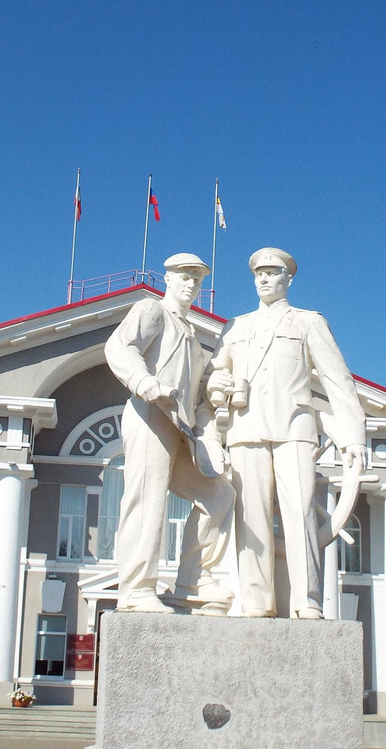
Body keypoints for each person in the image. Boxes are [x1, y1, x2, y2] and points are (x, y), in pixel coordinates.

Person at [206, 247, 366, 619]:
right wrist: (219, 382)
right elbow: (213, 372)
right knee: (252, 518)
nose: (264, 279)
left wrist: (353, 434)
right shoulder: (236, 326)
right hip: (247, 428)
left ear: (288, 278)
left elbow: (337, 379)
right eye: (258, 273)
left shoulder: (307, 322)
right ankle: (257, 601)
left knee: (301, 514)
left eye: (273, 272)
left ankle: (306, 598)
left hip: (295, 426)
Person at [104, 254, 235, 615]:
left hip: (181, 428)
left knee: (219, 495)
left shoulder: (192, 335)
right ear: (168, 278)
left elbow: (199, 398)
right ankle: (136, 588)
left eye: (197, 278)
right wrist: (144, 381)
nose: (191, 283)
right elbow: (120, 348)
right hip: (151, 414)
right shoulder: (152, 310)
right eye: (185, 276)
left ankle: (192, 580)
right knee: (147, 499)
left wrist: (213, 387)